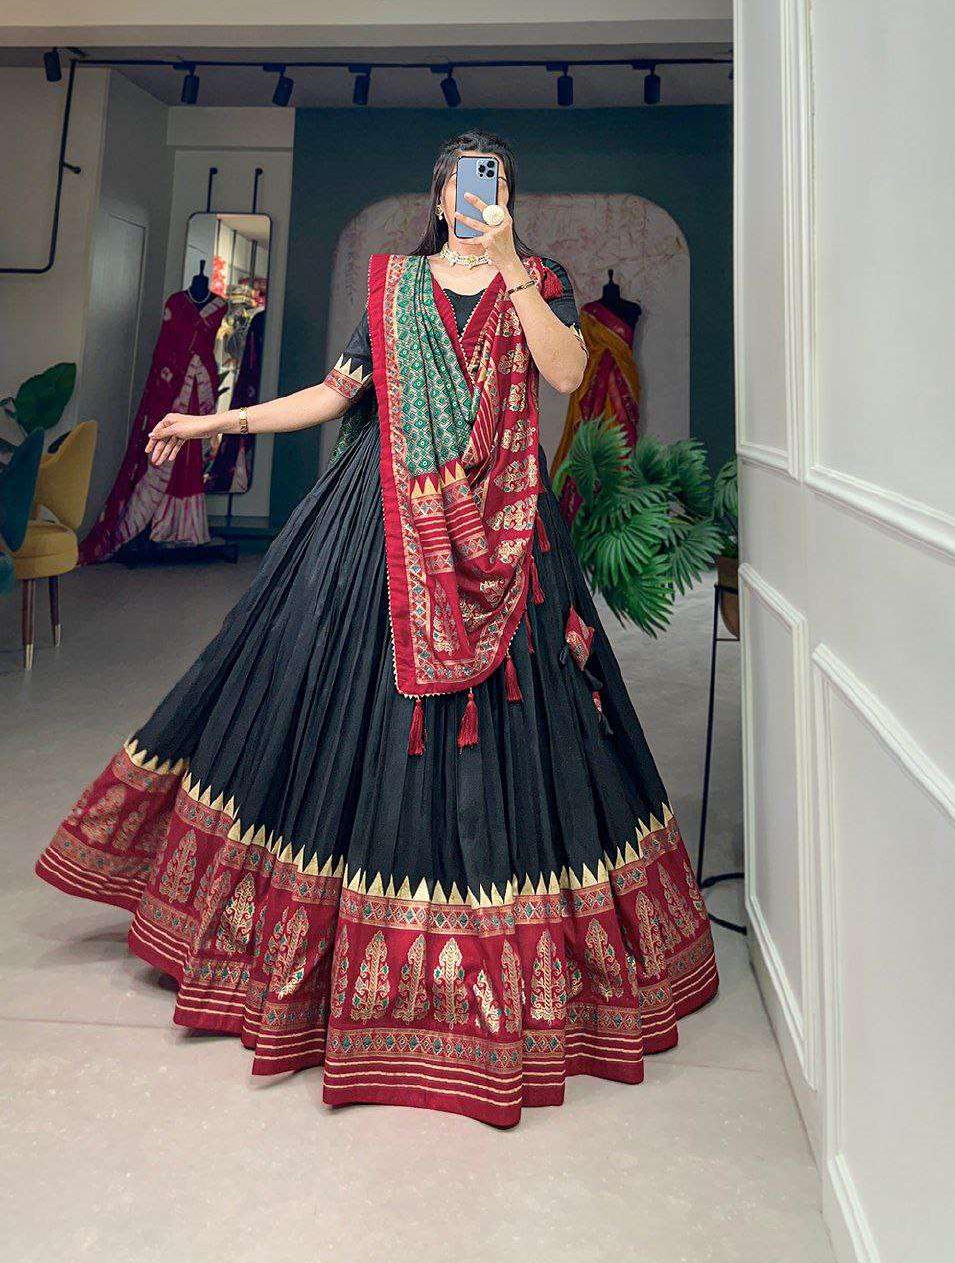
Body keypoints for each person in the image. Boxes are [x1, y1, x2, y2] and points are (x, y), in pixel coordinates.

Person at [36, 130, 717, 1128]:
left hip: (510, 520)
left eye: (496, 185)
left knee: (534, 731)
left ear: (508, 199)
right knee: (328, 696)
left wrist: (514, 266)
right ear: (439, 197)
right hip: (383, 521)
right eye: (465, 185)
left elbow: (568, 376)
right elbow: (335, 395)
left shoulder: (540, 282)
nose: (478, 198)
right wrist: (217, 422)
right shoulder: (396, 289)